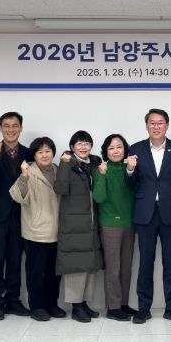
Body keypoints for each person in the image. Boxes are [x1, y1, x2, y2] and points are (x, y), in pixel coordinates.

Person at [126, 108, 171, 324]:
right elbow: (130, 184)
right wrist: (129, 170)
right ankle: (143, 308)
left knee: (170, 262)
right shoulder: (136, 149)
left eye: (160, 122)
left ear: (167, 125)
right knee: (145, 262)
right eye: (152, 123)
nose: (156, 126)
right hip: (145, 213)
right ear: (147, 126)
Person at [0, 112, 33, 321]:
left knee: (15, 259)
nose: (11, 129)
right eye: (6, 126)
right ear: (0, 128)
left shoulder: (29, 153)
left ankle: (13, 300)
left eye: (15, 125)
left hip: (21, 214)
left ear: (21, 128)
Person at [10, 137, 65, 322]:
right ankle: (37, 306)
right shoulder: (29, 171)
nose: (44, 155)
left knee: (54, 272)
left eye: (47, 151)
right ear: (34, 155)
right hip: (36, 232)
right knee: (35, 272)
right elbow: (17, 196)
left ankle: (52, 304)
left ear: (53, 153)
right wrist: (24, 176)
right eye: (40, 152)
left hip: (57, 231)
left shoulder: (58, 170)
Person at [54, 130, 104, 323]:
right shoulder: (68, 164)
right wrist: (65, 165)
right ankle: (75, 307)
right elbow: (60, 188)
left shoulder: (94, 165)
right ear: (72, 147)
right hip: (74, 223)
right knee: (76, 265)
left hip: (91, 222)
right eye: (79, 144)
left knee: (89, 265)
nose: (83, 147)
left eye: (87, 143)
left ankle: (83, 303)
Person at [93, 134, 137, 321]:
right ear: (105, 151)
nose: (116, 151)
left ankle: (123, 304)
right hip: (110, 224)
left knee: (126, 267)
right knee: (113, 268)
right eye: (111, 148)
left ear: (125, 149)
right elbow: (99, 197)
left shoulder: (130, 169)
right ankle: (113, 307)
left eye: (119, 147)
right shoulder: (101, 170)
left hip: (129, 223)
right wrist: (102, 175)